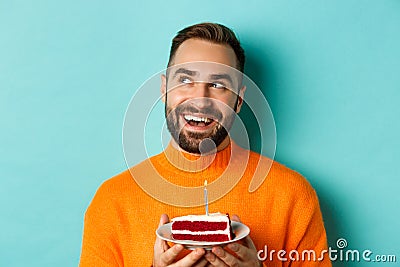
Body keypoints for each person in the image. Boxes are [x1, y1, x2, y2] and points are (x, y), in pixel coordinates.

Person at [80, 22, 331, 266]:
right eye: (185, 81)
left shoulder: (293, 196)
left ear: (239, 99)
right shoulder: (111, 202)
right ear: (164, 89)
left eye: (217, 85)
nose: (200, 100)